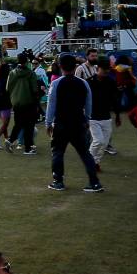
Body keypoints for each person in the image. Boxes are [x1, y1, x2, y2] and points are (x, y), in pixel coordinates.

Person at [45, 54, 102, 192]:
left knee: (58, 152)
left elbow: (51, 104)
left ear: (60, 66)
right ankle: (94, 182)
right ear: (75, 66)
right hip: (78, 123)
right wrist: (87, 119)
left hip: (61, 124)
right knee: (85, 153)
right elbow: (89, 103)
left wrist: (48, 123)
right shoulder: (83, 83)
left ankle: (58, 181)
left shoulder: (56, 83)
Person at [87, 58, 120, 171]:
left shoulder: (111, 82)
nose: (106, 71)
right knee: (98, 141)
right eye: (104, 69)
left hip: (106, 117)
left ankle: (96, 162)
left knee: (104, 144)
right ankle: (89, 161)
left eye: (108, 69)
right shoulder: (89, 82)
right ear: (98, 68)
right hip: (92, 117)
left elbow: (115, 100)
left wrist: (118, 116)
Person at [6, 52, 41, 155]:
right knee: (29, 125)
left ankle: (10, 140)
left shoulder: (12, 73)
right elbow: (35, 89)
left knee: (18, 124)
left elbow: (8, 88)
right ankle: (28, 148)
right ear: (27, 61)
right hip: (29, 101)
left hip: (16, 102)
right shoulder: (30, 73)